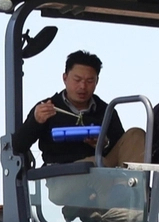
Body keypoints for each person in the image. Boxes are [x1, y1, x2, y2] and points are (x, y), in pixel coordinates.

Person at [14, 50, 146, 167]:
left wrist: (104, 143)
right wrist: (35, 122)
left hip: (103, 171)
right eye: (77, 80)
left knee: (136, 135)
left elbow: (122, 150)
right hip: (61, 175)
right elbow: (18, 146)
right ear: (65, 78)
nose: (83, 86)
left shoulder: (106, 110)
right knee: (95, 164)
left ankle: (134, 189)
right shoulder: (47, 107)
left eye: (89, 81)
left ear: (97, 81)